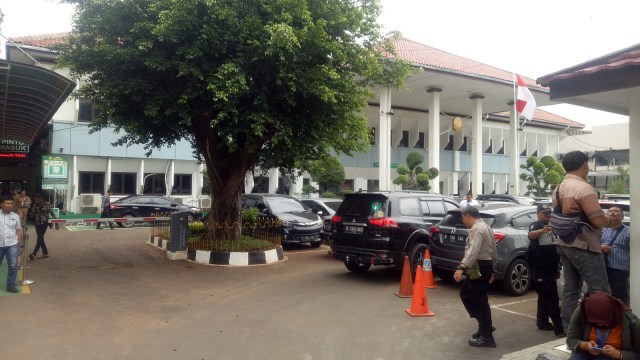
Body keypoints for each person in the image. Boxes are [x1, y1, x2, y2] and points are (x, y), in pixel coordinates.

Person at [553, 151, 612, 331]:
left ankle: (570, 332)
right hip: (584, 245)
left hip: (564, 244)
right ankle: (600, 332)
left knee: (571, 290)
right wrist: (610, 219)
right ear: (584, 165)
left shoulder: (558, 188)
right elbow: (597, 220)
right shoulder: (584, 189)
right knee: (601, 291)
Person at [454, 206, 498, 348]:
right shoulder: (486, 226)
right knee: (466, 294)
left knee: (479, 301)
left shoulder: (476, 229)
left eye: (462, 217)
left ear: (467, 216)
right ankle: (484, 326)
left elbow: (473, 251)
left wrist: (462, 267)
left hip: (478, 266)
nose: (463, 220)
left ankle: (487, 337)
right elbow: (494, 250)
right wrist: (493, 269)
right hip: (483, 265)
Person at [566, 291, 640, 360]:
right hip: (586, 352)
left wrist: (619, 354)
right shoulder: (584, 311)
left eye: (604, 321)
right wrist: (586, 346)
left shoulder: (631, 321)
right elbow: (571, 340)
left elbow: (637, 355)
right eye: (594, 322)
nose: (599, 324)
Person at [527, 204, 565, 337]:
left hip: (551, 266)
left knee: (544, 295)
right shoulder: (536, 225)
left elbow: (555, 246)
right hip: (540, 267)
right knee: (551, 297)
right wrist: (542, 231)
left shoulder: (552, 226)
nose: (548, 215)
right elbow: (531, 235)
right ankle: (559, 328)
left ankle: (542, 322)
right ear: (538, 213)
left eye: (549, 213)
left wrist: (557, 267)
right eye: (545, 213)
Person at [600, 206, 630, 306]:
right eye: (610, 211)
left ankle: (620, 318)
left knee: (618, 296)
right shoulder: (602, 229)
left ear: (622, 216)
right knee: (602, 294)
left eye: (616, 211)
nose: (612, 213)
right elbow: (593, 243)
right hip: (602, 267)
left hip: (619, 270)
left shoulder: (629, 231)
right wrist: (600, 246)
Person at [0, 195, 25, 293]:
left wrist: (21, 245)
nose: (10, 205)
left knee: (13, 265)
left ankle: (11, 285)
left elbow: (18, 231)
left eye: (11, 203)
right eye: (7, 203)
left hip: (12, 244)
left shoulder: (16, 216)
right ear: (1, 204)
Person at [28, 194, 58, 260]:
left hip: (44, 223)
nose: (36, 201)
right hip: (37, 223)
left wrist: (56, 223)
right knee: (41, 239)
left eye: (37, 200)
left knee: (39, 238)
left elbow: (52, 213)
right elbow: (32, 215)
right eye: (35, 200)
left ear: (41, 198)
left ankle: (34, 254)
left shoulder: (47, 204)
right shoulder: (35, 205)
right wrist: (30, 212)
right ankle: (45, 253)